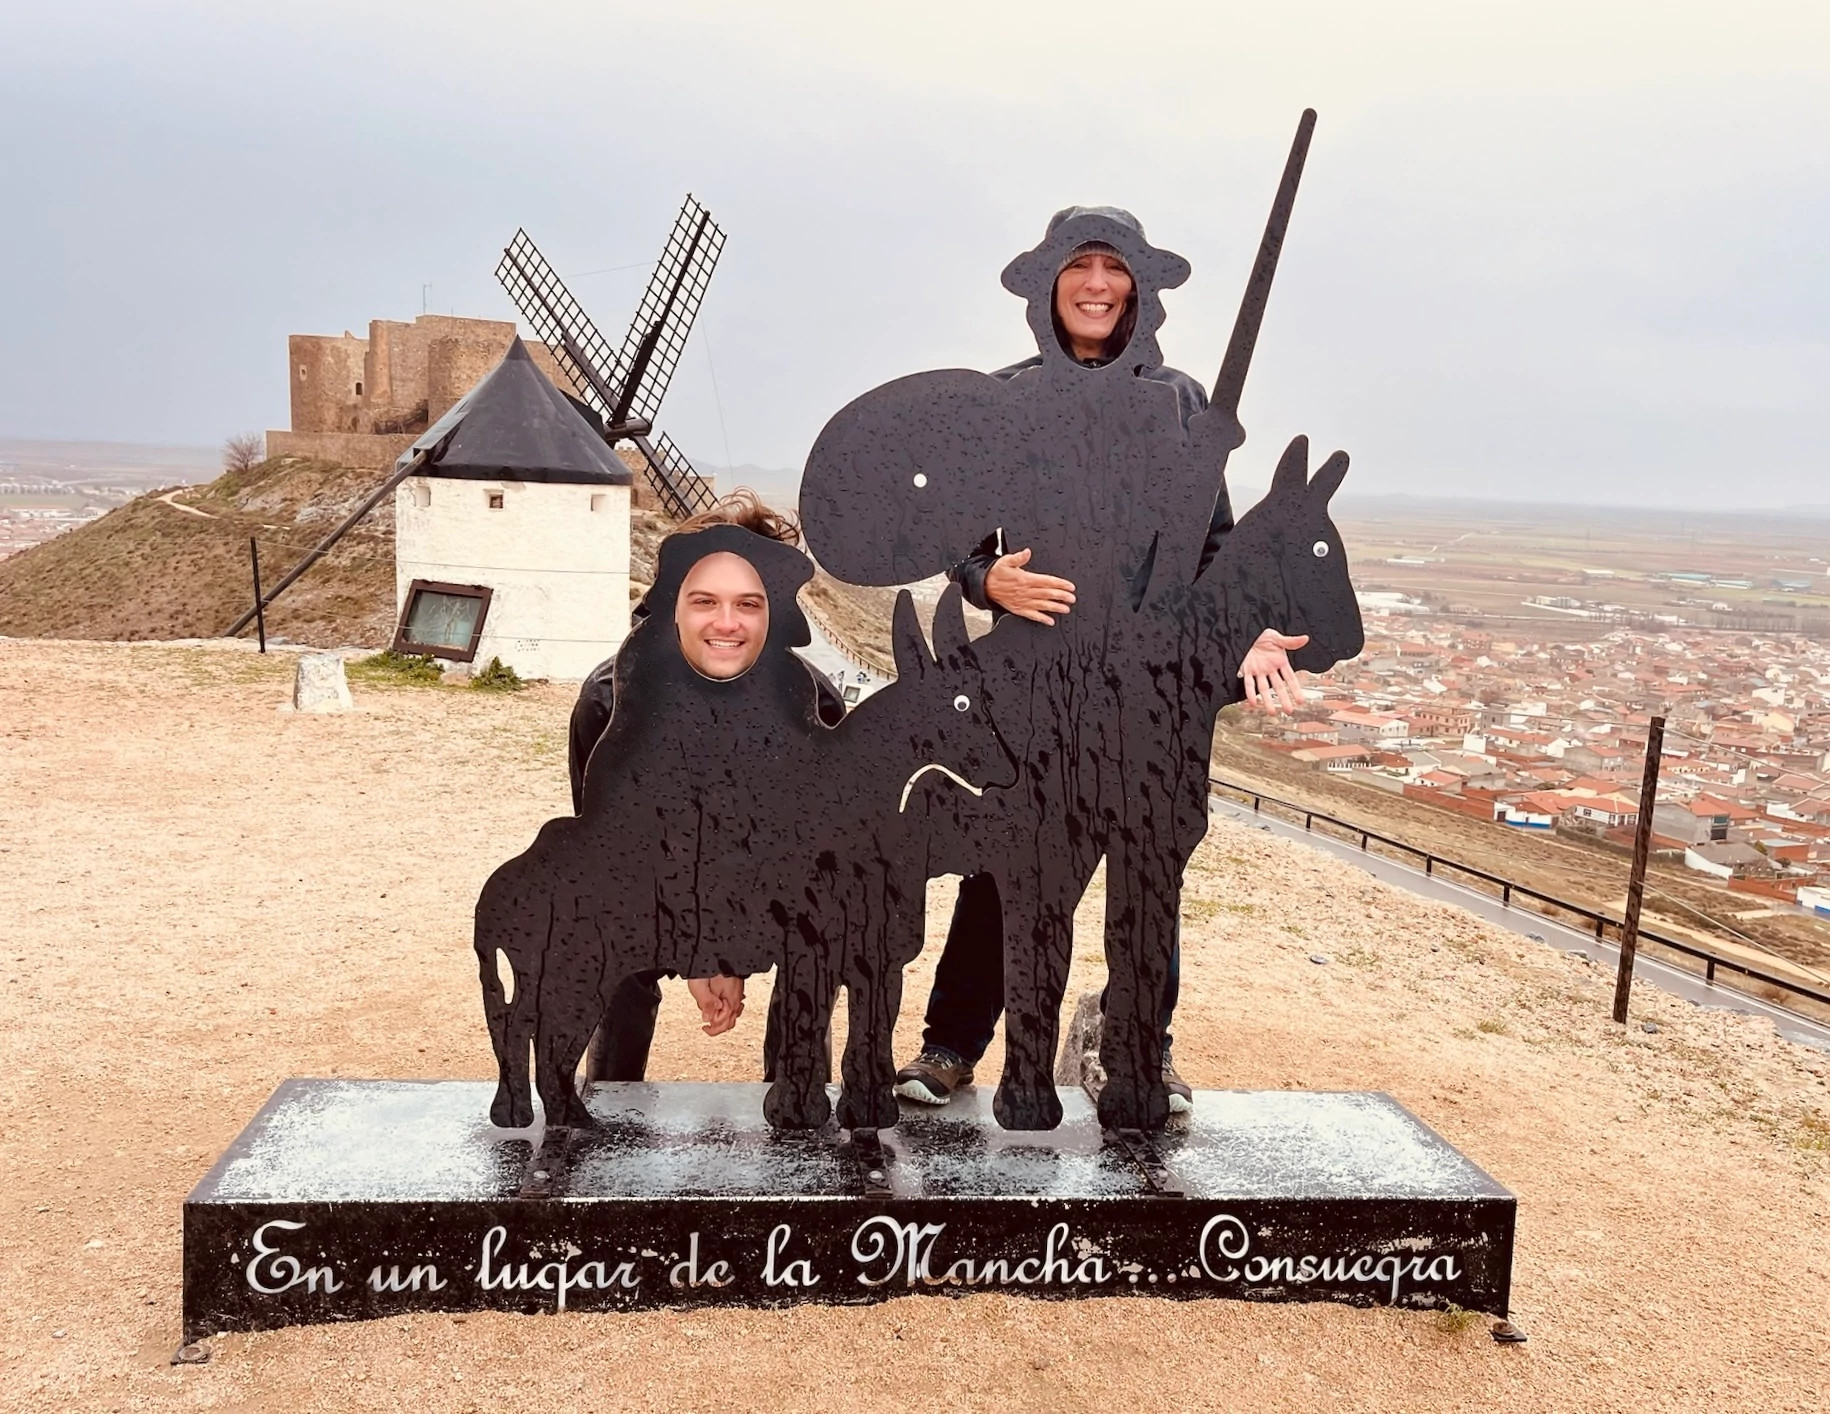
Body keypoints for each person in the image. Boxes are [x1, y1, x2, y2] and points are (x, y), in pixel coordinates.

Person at [893, 207, 1310, 1115]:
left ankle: (1138, 1048)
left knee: (1146, 871)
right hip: (1036, 680)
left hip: (1146, 692)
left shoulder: (1183, 405)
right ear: (1049, 285)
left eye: (1112, 267)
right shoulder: (1004, 399)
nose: (1096, 283)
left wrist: (1240, 628)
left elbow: (1216, 549)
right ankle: (952, 1045)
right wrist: (984, 580)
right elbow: (964, 541)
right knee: (1005, 868)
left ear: (1139, 289)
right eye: (1078, 265)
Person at [567, 489, 846, 1081]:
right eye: (704, 601)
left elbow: (806, 858)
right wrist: (697, 948)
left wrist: (732, 943)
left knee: (823, 932)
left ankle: (799, 1097)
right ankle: (611, 1101)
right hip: (650, 883)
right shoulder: (607, 704)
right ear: (672, 605)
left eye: (749, 602)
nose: (727, 623)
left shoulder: (816, 706)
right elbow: (618, 860)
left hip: (765, 882)